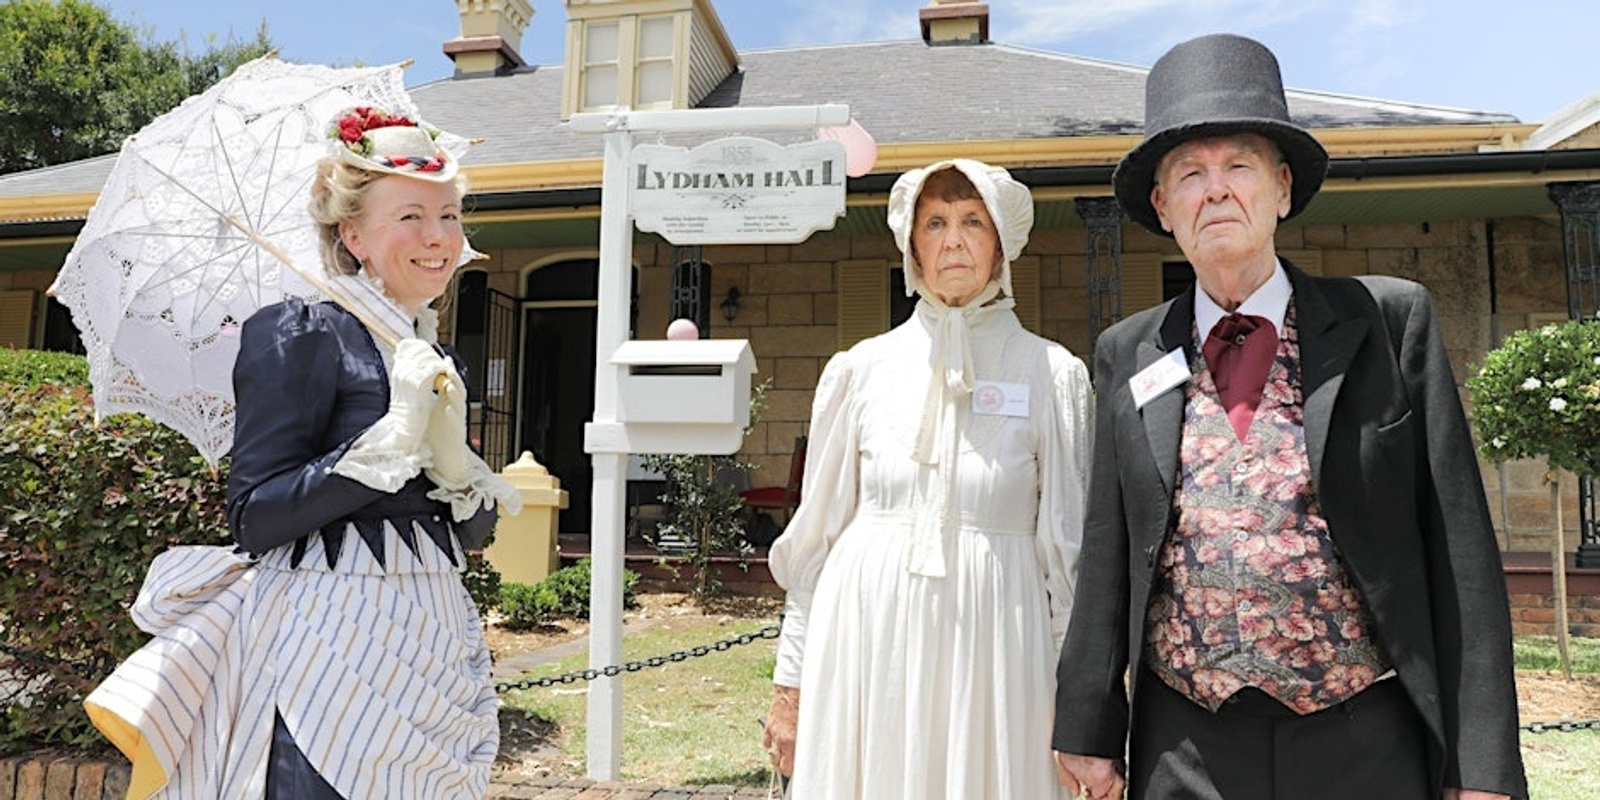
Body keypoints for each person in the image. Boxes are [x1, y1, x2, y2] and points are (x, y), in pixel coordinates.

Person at [1050, 33, 1527, 800]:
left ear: (1280, 188)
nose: (1215, 191)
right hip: (1186, 743)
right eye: (1189, 175)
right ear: (1164, 209)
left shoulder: (1387, 322)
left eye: (1237, 166)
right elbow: (1108, 553)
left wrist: (1483, 766)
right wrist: (1086, 728)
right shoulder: (1128, 351)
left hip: (1361, 736)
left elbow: (1458, 551)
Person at [84, 107, 520, 799]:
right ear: (353, 234)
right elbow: (255, 516)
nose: (437, 237)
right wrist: (394, 438)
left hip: (432, 637)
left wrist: (459, 474)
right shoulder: (301, 332)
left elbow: (464, 536)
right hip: (327, 649)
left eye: (449, 216)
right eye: (410, 216)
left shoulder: (434, 355)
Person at [761, 159, 1092, 799]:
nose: (955, 239)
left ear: (1002, 241)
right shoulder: (859, 371)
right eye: (935, 222)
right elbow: (814, 545)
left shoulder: (1051, 375)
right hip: (866, 646)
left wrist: (1076, 706)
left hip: (997, 649)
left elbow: (1066, 555)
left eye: (973, 221)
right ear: (912, 242)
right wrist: (790, 685)